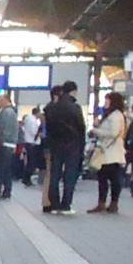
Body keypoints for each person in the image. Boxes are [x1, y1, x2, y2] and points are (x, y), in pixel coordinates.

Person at [44, 80, 86, 215]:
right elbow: (81, 128)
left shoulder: (52, 108)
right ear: (73, 91)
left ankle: (54, 204)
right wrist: (81, 145)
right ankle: (66, 204)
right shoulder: (75, 107)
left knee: (54, 174)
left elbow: (49, 128)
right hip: (73, 145)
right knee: (70, 174)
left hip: (56, 144)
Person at [88, 91, 127, 213]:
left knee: (108, 177)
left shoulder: (115, 116)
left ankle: (107, 203)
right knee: (107, 177)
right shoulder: (112, 115)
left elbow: (113, 133)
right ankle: (107, 203)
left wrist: (96, 131)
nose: (105, 102)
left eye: (107, 100)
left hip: (111, 151)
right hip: (109, 151)